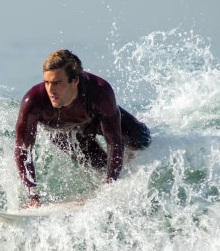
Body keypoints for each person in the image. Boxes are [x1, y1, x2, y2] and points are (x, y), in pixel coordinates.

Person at [15, 49, 151, 207]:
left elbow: (114, 140)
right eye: (47, 82)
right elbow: (23, 149)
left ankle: (118, 173)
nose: (50, 90)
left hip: (95, 122)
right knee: (99, 165)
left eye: (57, 82)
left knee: (143, 140)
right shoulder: (34, 102)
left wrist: (110, 186)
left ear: (75, 81)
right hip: (64, 133)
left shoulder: (100, 92)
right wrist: (33, 195)